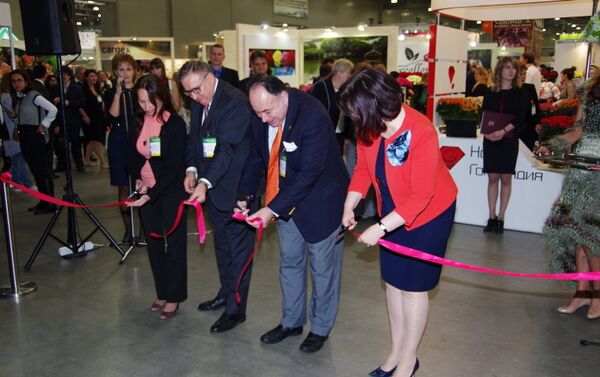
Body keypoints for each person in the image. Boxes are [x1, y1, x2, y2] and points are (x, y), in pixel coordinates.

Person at [338, 68, 457, 377]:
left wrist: (380, 228)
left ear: (373, 106)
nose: (352, 120)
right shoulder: (368, 128)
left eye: (355, 113)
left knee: (414, 287)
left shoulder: (421, 130)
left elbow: (420, 196)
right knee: (393, 282)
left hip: (429, 213)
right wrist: (350, 204)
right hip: (392, 208)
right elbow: (363, 172)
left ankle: (408, 359)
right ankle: (396, 351)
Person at [239, 75, 349, 353]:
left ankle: (321, 328)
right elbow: (256, 156)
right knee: (290, 263)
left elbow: (309, 174)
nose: (262, 118)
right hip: (283, 199)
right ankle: (291, 322)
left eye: (267, 111)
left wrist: (270, 209)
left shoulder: (313, 116)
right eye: (257, 112)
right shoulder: (261, 114)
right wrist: (246, 195)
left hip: (322, 202)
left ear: (284, 95)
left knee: (323, 270)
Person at [180, 60, 256, 333]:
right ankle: (225, 292)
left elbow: (227, 150)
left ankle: (236, 310)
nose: (193, 97)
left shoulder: (234, 101)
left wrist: (204, 182)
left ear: (210, 77)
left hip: (236, 189)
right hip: (212, 189)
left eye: (197, 90)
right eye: (188, 93)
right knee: (222, 247)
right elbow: (195, 140)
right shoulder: (199, 100)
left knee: (239, 252)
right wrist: (191, 169)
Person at [126, 74, 188, 320]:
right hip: (146, 192)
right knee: (153, 244)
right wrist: (138, 179)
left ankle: (174, 296)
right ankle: (162, 292)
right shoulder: (139, 121)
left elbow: (174, 167)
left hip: (169, 191)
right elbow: (133, 154)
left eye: (150, 101)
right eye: (141, 102)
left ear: (161, 95)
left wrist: (151, 194)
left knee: (174, 245)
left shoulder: (175, 124)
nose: (147, 106)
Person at [541, 71, 600, 320]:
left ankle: (597, 297)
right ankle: (582, 294)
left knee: (590, 234)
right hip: (580, 169)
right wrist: (551, 145)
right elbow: (577, 131)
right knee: (573, 230)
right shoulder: (589, 89)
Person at [481, 57, 527, 234]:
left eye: (513, 68)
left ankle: (501, 218)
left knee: (506, 179)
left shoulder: (520, 92)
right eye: (507, 67)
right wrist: (486, 132)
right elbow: (484, 114)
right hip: (490, 140)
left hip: (508, 139)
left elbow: (520, 117)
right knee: (492, 178)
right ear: (500, 70)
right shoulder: (490, 91)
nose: (511, 71)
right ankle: (491, 217)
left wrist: (503, 131)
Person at [8, 69, 58, 214]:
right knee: (36, 171)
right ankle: (44, 201)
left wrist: (45, 124)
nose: (16, 83)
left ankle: (50, 204)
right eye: (13, 81)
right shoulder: (20, 97)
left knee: (42, 171)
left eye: (19, 80)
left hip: (35, 136)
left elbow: (53, 109)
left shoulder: (34, 96)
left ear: (26, 81)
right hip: (26, 136)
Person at [105, 53, 140, 243]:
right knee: (123, 185)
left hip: (138, 138)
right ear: (114, 72)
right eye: (121, 69)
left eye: (128, 69)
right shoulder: (111, 92)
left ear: (134, 70)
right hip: (118, 140)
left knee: (142, 184)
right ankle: (128, 229)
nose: (125, 73)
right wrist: (118, 92)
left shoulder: (141, 90)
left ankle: (143, 230)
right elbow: (112, 116)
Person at [310, 58, 354, 156]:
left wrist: (348, 136)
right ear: (339, 73)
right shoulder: (320, 87)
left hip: (340, 136)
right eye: (348, 73)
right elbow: (313, 113)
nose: (350, 76)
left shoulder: (347, 89)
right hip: (323, 135)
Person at [52, 66, 86, 173]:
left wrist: (69, 103)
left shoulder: (76, 88)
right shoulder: (56, 88)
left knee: (76, 143)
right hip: (61, 120)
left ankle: (79, 164)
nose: (62, 78)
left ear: (69, 76)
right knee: (61, 145)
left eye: (64, 76)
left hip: (73, 120)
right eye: (60, 76)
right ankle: (63, 165)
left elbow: (82, 101)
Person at [82, 69, 108, 168]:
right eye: (91, 76)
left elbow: (101, 102)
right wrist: (84, 115)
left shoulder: (97, 88)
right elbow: (81, 105)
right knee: (97, 140)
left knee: (92, 140)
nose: (94, 78)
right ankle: (103, 161)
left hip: (99, 117)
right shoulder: (83, 89)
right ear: (86, 78)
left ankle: (87, 160)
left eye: (95, 76)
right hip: (90, 117)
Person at [519, 65, 541, 151]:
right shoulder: (510, 89)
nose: (523, 76)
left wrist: (538, 122)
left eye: (524, 74)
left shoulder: (530, 88)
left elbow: (536, 106)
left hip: (529, 127)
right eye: (520, 74)